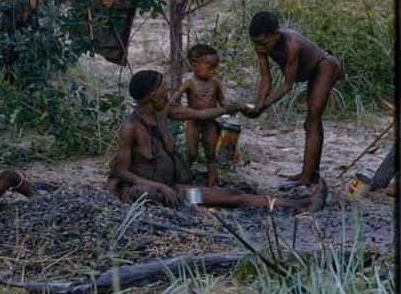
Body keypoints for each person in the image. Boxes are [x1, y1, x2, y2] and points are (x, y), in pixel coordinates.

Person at [105, 70, 327, 211]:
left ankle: (302, 204)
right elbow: (123, 173)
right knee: (146, 193)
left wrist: (230, 108)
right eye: (164, 92)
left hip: (175, 190)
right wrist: (161, 188)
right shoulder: (130, 127)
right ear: (152, 96)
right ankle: (163, 203)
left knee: (231, 196)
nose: (169, 95)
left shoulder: (162, 112)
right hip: (154, 191)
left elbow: (200, 115)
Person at [246, 11, 341, 190]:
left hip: (325, 66)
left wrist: (264, 106)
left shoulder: (291, 44)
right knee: (312, 123)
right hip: (312, 72)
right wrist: (258, 104)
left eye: (265, 43)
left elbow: (287, 86)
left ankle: (306, 176)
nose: (261, 48)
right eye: (257, 43)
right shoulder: (260, 45)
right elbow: (266, 78)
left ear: (276, 33)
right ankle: (311, 173)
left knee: (312, 121)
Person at [169, 44, 228, 187]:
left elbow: (223, 102)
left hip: (210, 125)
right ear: (195, 66)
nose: (213, 71)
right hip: (193, 123)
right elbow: (175, 96)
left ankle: (212, 184)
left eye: (215, 67)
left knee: (210, 154)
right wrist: (172, 103)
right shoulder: (189, 84)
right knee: (191, 153)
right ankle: (182, 178)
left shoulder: (215, 84)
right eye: (210, 67)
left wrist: (232, 108)